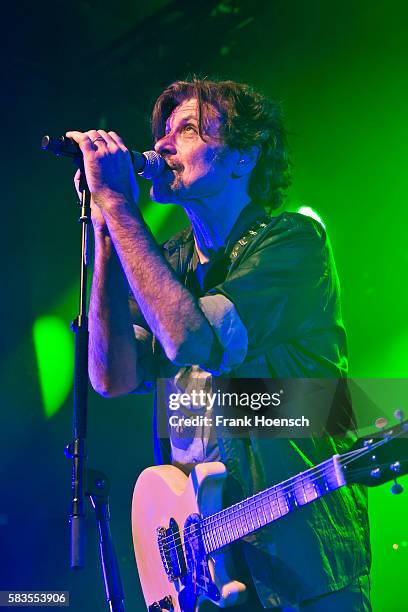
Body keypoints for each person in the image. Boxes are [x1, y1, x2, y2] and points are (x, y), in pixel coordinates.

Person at [66, 78, 371, 611]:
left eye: (186, 129)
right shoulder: (169, 262)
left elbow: (190, 340)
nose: (162, 145)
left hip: (303, 571)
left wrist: (118, 200)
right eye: (162, 132)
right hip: (204, 564)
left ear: (244, 156)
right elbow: (111, 376)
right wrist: (107, 228)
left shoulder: (293, 242)